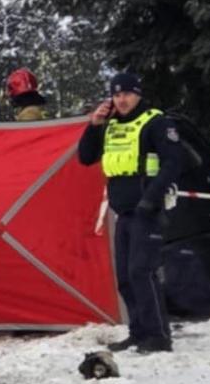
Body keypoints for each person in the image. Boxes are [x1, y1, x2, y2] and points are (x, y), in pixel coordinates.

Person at [77, 72, 192, 354]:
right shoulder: (112, 125)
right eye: (116, 95)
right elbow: (86, 157)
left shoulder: (156, 122)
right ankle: (138, 332)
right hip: (123, 211)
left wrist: (151, 199)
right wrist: (94, 125)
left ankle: (159, 337)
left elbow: (174, 162)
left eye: (127, 94)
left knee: (143, 272)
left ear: (138, 94)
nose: (122, 100)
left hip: (147, 210)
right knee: (126, 278)